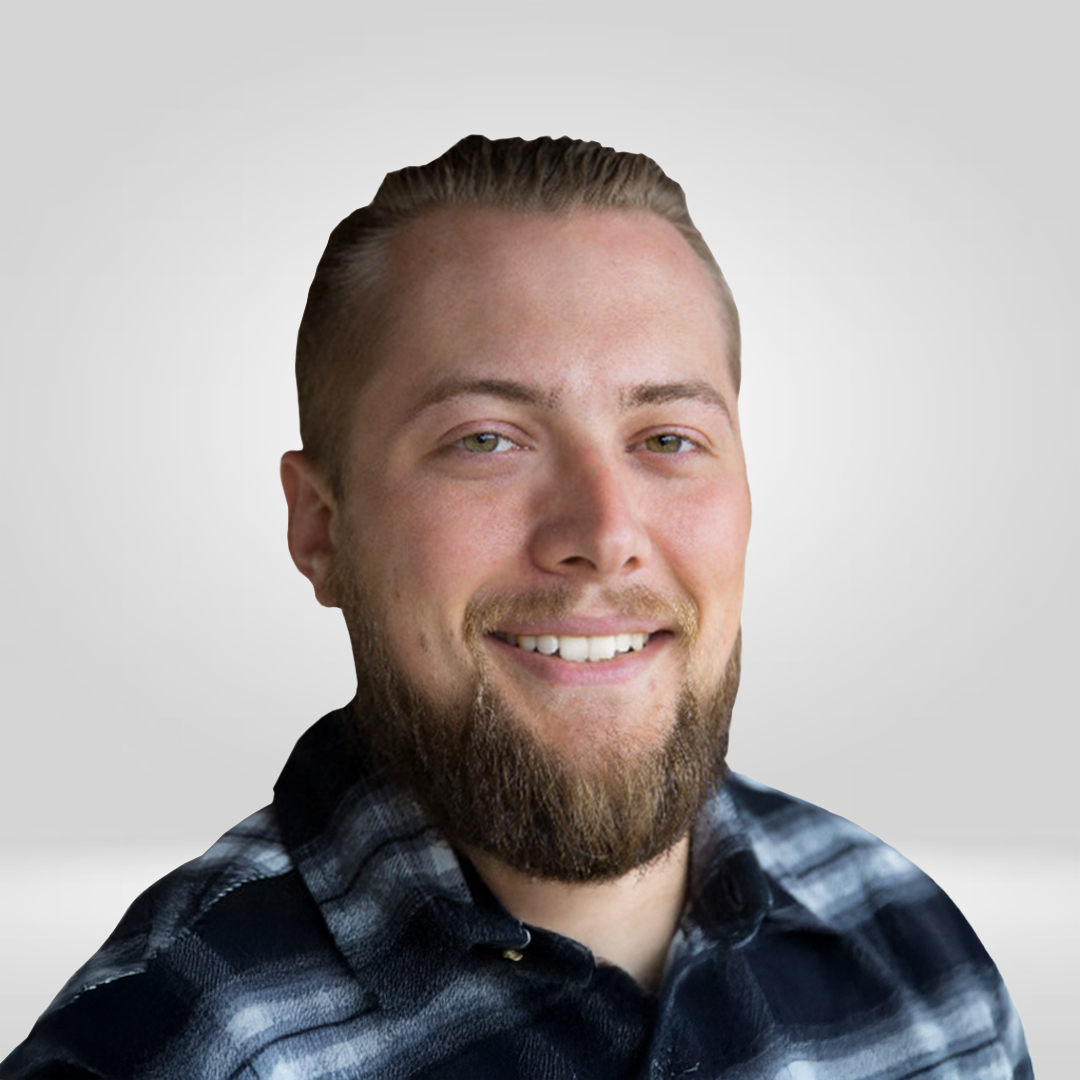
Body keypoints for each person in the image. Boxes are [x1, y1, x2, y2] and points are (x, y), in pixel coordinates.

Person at [1, 135, 1032, 1079]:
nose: (604, 531)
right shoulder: (158, 1044)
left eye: (668, 438)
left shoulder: (918, 952)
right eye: (486, 440)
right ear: (322, 529)